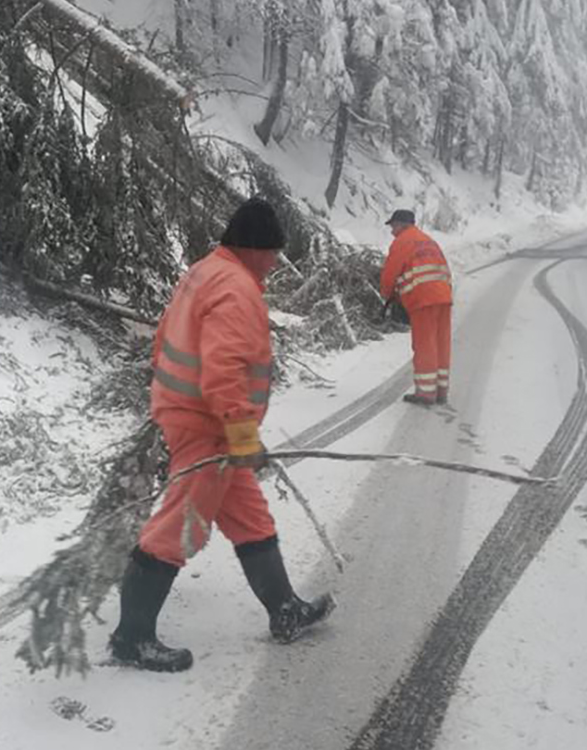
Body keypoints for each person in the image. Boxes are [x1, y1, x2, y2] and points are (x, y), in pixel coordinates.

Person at [109, 198, 334, 673]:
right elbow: (224, 370)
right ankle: (132, 638)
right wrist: (240, 433)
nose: (274, 263)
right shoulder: (235, 288)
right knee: (180, 524)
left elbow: (164, 337)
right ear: (254, 247)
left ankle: (284, 609)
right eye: (272, 253)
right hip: (207, 425)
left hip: (201, 418)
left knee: (250, 516)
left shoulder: (206, 270)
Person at [379, 209, 453, 406]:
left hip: (423, 299)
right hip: (443, 296)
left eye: (393, 226)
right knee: (441, 342)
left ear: (402, 224)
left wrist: (386, 294)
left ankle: (426, 393)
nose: (392, 231)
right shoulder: (428, 240)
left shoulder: (403, 241)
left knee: (424, 344)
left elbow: (390, 273)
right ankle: (440, 391)